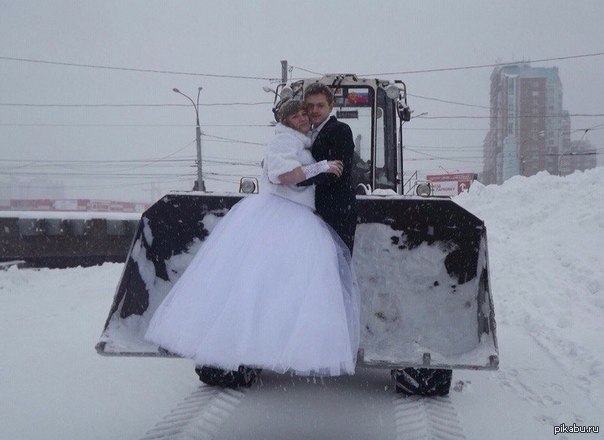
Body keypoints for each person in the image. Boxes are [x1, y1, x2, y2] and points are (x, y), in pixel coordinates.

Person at [144, 100, 360, 385]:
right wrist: (322, 167)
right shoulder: (284, 140)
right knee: (261, 284)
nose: (303, 118)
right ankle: (244, 345)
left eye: (304, 114)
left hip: (296, 215)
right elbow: (281, 175)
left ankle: (265, 342)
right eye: (296, 115)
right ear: (284, 120)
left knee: (276, 287)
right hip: (283, 215)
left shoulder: (302, 141)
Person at [298, 83, 358, 254]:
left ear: (331, 107)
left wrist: (295, 177)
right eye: (310, 106)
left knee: (332, 262)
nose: (314, 110)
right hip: (309, 211)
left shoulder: (340, 130)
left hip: (335, 212)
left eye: (320, 105)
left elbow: (335, 173)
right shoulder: (303, 134)